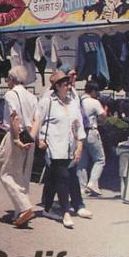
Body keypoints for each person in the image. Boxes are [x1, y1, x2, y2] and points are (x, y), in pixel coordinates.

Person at [37, 70, 86, 229]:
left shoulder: (73, 102)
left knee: (54, 178)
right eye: (66, 84)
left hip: (69, 147)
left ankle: (47, 208)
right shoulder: (47, 102)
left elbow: (79, 126)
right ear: (57, 86)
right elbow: (37, 121)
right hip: (54, 147)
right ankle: (65, 212)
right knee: (63, 176)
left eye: (70, 83)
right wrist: (40, 138)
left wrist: (79, 146)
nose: (69, 86)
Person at [0, 66, 40, 227]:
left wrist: (16, 139)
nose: (7, 82)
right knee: (23, 175)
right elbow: (37, 119)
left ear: (13, 79)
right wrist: (31, 138)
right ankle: (20, 212)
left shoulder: (11, 94)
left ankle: (24, 207)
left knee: (5, 171)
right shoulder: (32, 96)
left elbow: (14, 117)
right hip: (30, 134)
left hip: (16, 133)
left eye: (7, 79)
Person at [77, 81, 107, 196]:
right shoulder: (94, 102)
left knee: (82, 162)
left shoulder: (78, 101)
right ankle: (93, 182)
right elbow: (103, 116)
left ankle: (82, 187)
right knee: (100, 159)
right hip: (91, 132)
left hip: (80, 133)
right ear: (93, 91)